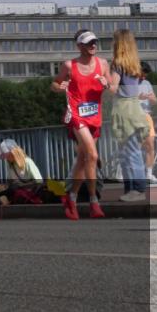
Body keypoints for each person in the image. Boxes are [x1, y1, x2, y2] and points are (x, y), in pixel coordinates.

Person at [52, 29, 114, 219]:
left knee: (82, 160)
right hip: (76, 114)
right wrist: (59, 87)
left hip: (95, 115)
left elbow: (112, 88)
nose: (93, 46)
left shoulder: (103, 63)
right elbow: (54, 84)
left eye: (94, 42)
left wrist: (106, 84)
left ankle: (71, 198)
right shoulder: (69, 65)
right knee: (93, 155)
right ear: (79, 46)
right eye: (88, 43)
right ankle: (94, 201)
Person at [108, 29, 151, 203]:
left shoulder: (117, 64)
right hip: (135, 110)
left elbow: (112, 89)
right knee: (131, 152)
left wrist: (104, 82)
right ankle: (132, 190)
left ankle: (137, 190)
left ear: (118, 44)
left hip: (124, 112)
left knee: (129, 153)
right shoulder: (134, 64)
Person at [0, 139, 44, 205]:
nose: (6, 158)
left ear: (14, 152)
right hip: (15, 192)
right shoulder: (10, 165)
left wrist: (21, 186)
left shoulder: (28, 162)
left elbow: (39, 182)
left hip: (28, 194)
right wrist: (2, 187)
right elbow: (11, 182)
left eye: (7, 155)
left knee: (17, 195)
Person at [139, 62, 157, 184]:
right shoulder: (129, 82)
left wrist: (152, 99)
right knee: (135, 146)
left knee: (150, 146)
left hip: (147, 115)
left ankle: (149, 174)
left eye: (145, 75)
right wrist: (138, 98)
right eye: (143, 74)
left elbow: (155, 100)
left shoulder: (147, 83)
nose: (144, 77)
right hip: (134, 116)